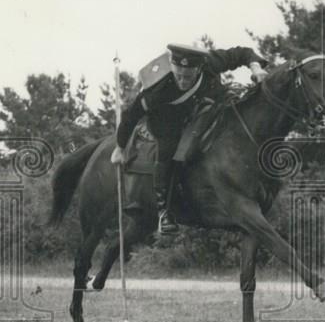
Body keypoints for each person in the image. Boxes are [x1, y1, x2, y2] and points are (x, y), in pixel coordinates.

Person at [110, 43, 269, 235]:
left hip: (202, 109)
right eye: (178, 76)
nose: (183, 81)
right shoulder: (158, 88)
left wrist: (256, 67)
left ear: (199, 68)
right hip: (166, 121)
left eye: (188, 76)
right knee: (168, 150)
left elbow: (242, 53)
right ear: (173, 69)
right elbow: (131, 115)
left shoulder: (210, 62)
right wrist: (119, 147)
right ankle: (164, 212)